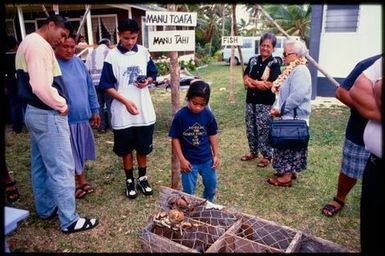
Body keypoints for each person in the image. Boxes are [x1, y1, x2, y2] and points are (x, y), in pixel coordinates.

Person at [15, 15, 98, 233]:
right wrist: (61, 104)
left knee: (41, 164)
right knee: (62, 167)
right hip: (47, 113)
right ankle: (70, 220)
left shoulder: (27, 42)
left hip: (34, 112)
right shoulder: (39, 45)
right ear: (50, 25)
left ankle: (46, 208)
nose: (61, 42)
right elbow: (40, 86)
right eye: (61, 35)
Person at [99, 18, 158, 199]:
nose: (130, 42)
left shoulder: (143, 52)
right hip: (122, 112)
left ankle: (142, 178)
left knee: (142, 148)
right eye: (126, 38)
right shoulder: (112, 56)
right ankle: (129, 180)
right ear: (119, 36)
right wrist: (125, 101)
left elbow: (152, 74)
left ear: (137, 35)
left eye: (133, 38)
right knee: (125, 150)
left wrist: (147, 81)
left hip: (143, 110)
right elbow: (106, 85)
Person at [321, 54, 382, 217]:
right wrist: (367, 109)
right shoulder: (370, 64)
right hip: (359, 131)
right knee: (349, 169)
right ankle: (339, 199)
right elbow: (341, 93)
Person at [55, 34, 101, 199]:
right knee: (69, 154)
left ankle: (81, 180)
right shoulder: (53, 66)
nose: (69, 50)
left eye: (72, 47)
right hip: (65, 120)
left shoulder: (79, 64)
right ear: (57, 46)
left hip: (82, 118)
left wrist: (95, 110)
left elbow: (90, 88)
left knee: (80, 151)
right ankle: (73, 184)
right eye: (65, 47)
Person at [267, 39, 311, 187]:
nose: (283, 56)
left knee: (289, 144)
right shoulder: (292, 69)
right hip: (288, 116)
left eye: (285, 53)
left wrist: (280, 110)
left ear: (296, 54)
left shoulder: (301, 70)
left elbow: (297, 96)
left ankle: (286, 177)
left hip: (293, 118)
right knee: (288, 145)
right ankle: (289, 171)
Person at [349, 57, 382, 253]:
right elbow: (358, 89)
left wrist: (377, 89)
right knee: (371, 235)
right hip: (377, 168)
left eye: (289, 54)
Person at [168, 80, 219, 202]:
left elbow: (212, 135)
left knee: (211, 186)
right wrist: (182, 160)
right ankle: (189, 210)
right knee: (188, 192)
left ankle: (207, 206)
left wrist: (216, 155)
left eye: (202, 105)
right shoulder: (181, 116)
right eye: (194, 103)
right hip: (189, 163)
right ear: (188, 98)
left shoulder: (208, 115)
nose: (198, 107)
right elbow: (175, 139)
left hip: (207, 160)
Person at [240, 32, 281, 168]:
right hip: (250, 100)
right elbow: (245, 77)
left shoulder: (274, 63)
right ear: (260, 46)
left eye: (268, 46)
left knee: (264, 128)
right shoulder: (253, 60)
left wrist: (253, 83)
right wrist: (256, 82)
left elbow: (270, 84)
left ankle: (267, 155)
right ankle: (253, 152)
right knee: (251, 127)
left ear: (273, 48)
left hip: (265, 103)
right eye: (263, 45)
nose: (265, 48)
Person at [85, 38, 112, 133]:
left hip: (94, 83)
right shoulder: (110, 52)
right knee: (110, 105)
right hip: (107, 83)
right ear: (108, 44)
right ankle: (113, 126)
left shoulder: (91, 54)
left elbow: (86, 70)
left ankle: (101, 127)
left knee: (99, 105)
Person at [5, 35, 26, 134]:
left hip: (10, 85)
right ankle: (28, 124)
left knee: (14, 106)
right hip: (22, 84)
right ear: (16, 44)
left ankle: (17, 128)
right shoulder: (20, 55)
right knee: (26, 105)